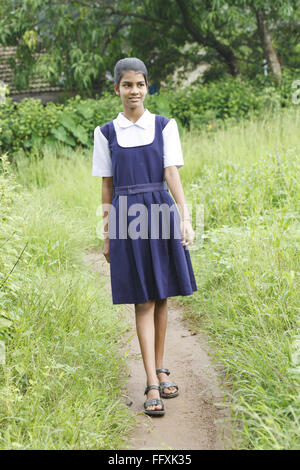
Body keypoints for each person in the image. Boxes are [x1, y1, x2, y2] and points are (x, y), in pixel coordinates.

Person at [92, 57, 197, 417]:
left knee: (162, 294)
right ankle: (151, 381)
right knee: (143, 300)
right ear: (117, 89)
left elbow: (172, 174)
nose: (133, 91)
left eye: (139, 84)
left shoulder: (165, 126)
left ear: (147, 87)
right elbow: (107, 185)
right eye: (126, 85)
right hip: (127, 217)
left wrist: (185, 218)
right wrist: (107, 233)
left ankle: (161, 366)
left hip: (160, 211)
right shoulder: (105, 132)